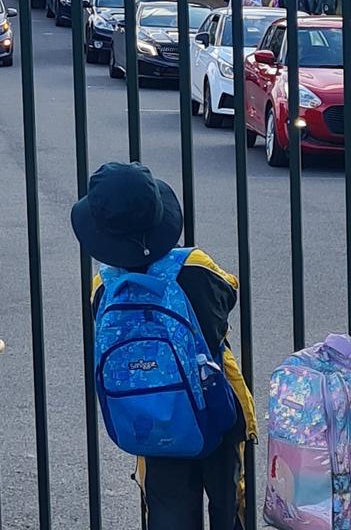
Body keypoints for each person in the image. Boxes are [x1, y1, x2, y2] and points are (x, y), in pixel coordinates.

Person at [71, 161, 256, 530]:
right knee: (229, 506)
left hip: (152, 420)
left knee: (166, 513)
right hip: (216, 408)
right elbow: (229, 294)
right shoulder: (195, 266)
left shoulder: (104, 288)